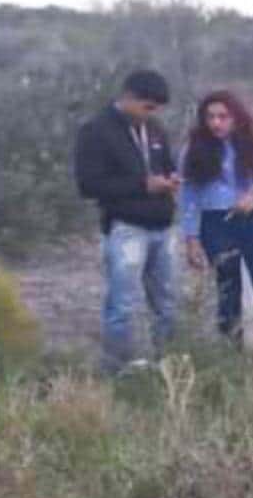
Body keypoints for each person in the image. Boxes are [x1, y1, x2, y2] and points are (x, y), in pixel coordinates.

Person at [74, 69, 180, 374]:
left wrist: (170, 180)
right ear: (129, 97)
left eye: (157, 108)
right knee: (123, 305)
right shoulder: (95, 131)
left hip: (162, 225)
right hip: (126, 228)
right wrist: (142, 185)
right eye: (148, 106)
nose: (154, 113)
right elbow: (88, 185)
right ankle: (118, 370)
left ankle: (170, 367)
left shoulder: (155, 129)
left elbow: (165, 165)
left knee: (168, 304)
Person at [179, 90, 253, 354]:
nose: (216, 123)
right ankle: (233, 352)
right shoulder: (193, 150)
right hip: (216, 222)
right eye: (210, 117)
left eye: (222, 117)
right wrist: (191, 238)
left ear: (236, 118)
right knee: (228, 289)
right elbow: (188, 198)